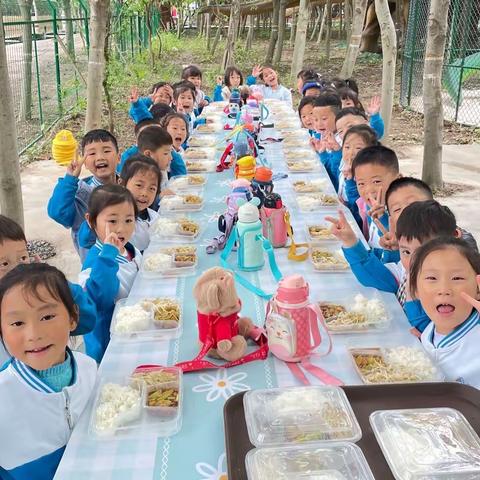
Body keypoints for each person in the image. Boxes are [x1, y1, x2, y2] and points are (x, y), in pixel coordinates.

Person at [0, 263, 97, 480]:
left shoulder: (88, 369)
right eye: (17, 322)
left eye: (47, 317)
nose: (34, 334)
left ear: (72, 318)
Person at [326, 200, 458, 315]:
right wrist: (351, 242)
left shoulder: (452, 287)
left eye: (423, 252)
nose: (414, 261)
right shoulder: (405, 270)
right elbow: (377, 279)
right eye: (406, 251)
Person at [0, 215, 96, 365]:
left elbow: (87, 319)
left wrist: (54, 286)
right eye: (4, 263)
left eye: (23, 258)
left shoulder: (37, 296)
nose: (18, 268)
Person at [79, 185, 141, 362]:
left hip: (134, 328)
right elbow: (100, 297)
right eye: (112, 221)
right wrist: (107, 257)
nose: (121, 229)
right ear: (91, 221)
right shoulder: (95, 262)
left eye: (129, 220)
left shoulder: (129, 248)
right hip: (110, 343)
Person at [409, 237, 480, 388]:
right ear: (416, 289)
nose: (444, 290)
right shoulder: (429, 331)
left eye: (457, 278)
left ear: (478, 289)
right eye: (432, 278)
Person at [47, 129, 120, 261]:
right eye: (92, 153)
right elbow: (57, 213)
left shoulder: (129, 186)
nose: (100, 157)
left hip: (129, 259)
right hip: (95, 267)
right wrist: (70, 179)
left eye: (107, 151)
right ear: (85, 163)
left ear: (118, 157)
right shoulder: (81, 194)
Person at [384, 177, 478, 253]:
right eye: (397, 209)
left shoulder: (452, 238)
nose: (406, 211)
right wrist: (396, 250)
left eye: (412, 203)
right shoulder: (401, 244)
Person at [351, 145, 400, 256]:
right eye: (361, 183)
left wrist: (382, 218)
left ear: (397, 180)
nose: (369, 190)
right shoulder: (370, 206)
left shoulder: (403, 214)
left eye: (376, 181)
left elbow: (397, 255)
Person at [339, 125, 379, 226]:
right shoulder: (346, 168)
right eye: (347, 147)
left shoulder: (369, 177)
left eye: (358, 148)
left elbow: (360, 213)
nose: (351, 153)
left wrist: (351, 181)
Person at [120, 154, 161, 251]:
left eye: (152, 188)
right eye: (139, 185)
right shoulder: (117, 222)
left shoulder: (155, 217)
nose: (145, 193)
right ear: (122, 184)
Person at [311, 93, 342, 190]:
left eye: (324, 119)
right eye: (316, 119)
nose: (319, 124)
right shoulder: (322, 136)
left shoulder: (341, 141)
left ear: (338, 118)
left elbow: (337, 174)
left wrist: (335, 151)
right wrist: (322, 153)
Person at [137, 125, 177, 195]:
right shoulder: (140, 178)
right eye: (165, 153)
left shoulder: (161, 170)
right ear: (148, 154)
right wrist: (159, 198)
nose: (171, 158)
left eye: (171, 152)